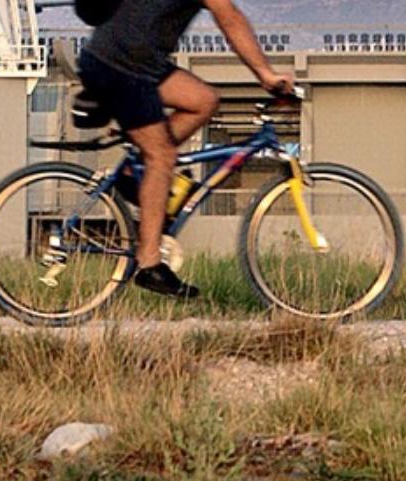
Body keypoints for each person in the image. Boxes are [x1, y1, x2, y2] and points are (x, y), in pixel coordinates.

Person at [78, 0, 295, 299]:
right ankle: (150, 263)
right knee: (162, 155)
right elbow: (229, 18)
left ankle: (135, 171)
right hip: (122, 66)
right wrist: (265, 75)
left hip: (133, 61)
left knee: (203, 100)